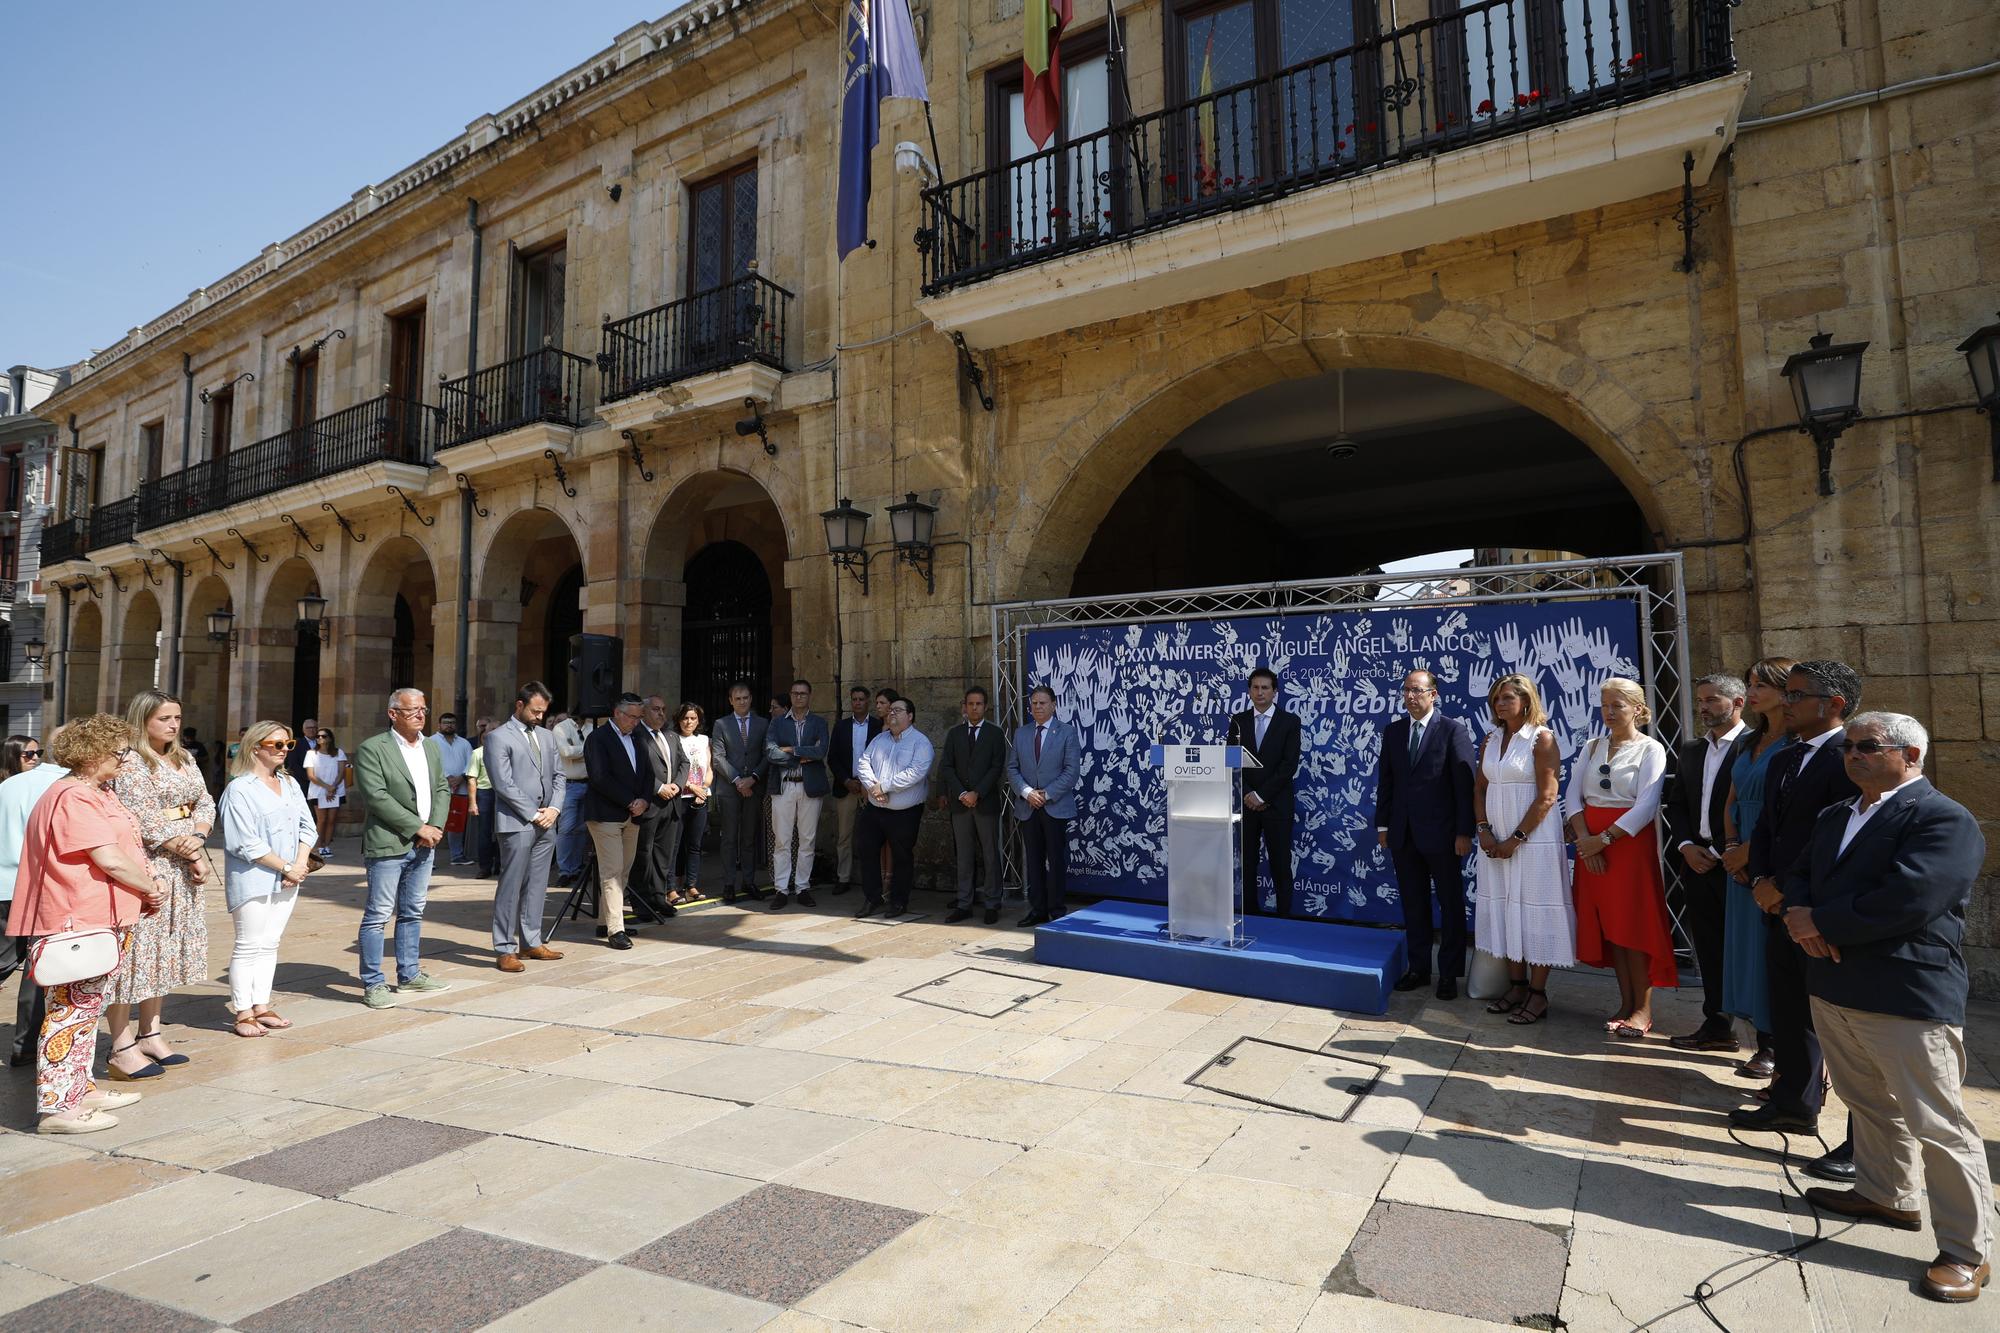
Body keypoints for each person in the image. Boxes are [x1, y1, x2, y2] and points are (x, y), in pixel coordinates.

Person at [1780, 712, 1992, 1303]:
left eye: (1867, 747)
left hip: (1904, 994)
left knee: (1938, 1123)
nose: (1852, 755)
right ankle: (1886, 1193)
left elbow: (1911, 897)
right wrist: (1802, 917)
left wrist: (1819, 922)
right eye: (1848, 747)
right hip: (1834, 985)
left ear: (1912, 755)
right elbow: (1799, 875)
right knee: (1866, 1100)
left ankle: (1967, 1252)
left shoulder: (1942, 818)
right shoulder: (1836, 815)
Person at [6, 713, 163, 1132]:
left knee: (85, 1007)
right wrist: (151, 887)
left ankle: (80, 1088)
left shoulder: (95, 791)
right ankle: (58, 1107)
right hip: (77, 916)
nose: (125, 758)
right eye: (118, 751)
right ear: (92, 756)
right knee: (70, 1010)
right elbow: (108, 857)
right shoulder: (74, 796)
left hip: (100, 914)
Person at [1733, 659, 1861, 1159]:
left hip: (1816, 908)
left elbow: (1832, 840)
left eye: (1797, 695)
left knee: (1833, 1021)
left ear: (1834, 705)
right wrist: (1762, 880)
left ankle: (1862, 1138)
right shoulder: (1786, 756)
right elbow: (1767, 826)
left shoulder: (1849, 757)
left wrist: (1788, 891)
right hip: (1776, 902)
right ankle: (1792, 1102)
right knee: (1787, 1009)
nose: (1786, 702)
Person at [105, 690, 215, 1079]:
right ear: (143, 720)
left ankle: (151, 1031)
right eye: (164, 718)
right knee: (136, 955)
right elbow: (143, 816)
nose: (173, 725)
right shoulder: (133, 761)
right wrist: (187, 849)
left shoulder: (184, 757)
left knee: (165, 951)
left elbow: (204, 801)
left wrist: (199, 838)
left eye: (177, 718)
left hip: (184, 863)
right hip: (151, 865)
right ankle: (120, 1041)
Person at [1565, 677, 1675, 1038]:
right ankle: (1625, 1003)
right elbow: (1572, 798)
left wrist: (1604, 840)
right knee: (1612, 929)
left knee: (1633, 926)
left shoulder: (1651, 750)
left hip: (1627, 846)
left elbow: (1646, 805)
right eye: (1605, 705)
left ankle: (1643, 1010)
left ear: (1638, 710)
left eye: (1618, 705)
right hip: (1591, 845)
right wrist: (1586, 842)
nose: (1609, 712)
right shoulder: (1592, 745)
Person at [1472, 673, 1571, 1025]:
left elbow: (1547, 796)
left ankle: (1537, 995)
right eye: (1497, 698)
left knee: (1534, 913)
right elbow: (1480, 788)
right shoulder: (1491, 738)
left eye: (1508, 698)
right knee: (1506, 909)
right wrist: (1483, 830)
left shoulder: (1541, 739)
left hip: (1533, 843)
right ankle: (1516, 986)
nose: (1500, 704)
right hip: (1495, 843)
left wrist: (1516, 839)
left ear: (1526, 701)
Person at [1717, 657, 1797, 1082]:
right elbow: (1730, 799)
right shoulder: (1748, 742)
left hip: (1769, 855)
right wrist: (1732, 847)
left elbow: (1786, 812)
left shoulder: (1798, 745)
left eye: (1760, 684)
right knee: (1747, 951)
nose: (1751, 691)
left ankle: (1776, 1046)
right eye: (1749, 683)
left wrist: (1749, 852)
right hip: (1740, 858)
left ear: (1787, 691)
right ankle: (1761, 1037)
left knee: (1772, 954)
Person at [1375, 669, 1477, 998]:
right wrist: (1384, 826)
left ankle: (1448, 974)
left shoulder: (1452, 731)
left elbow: (1464, 787)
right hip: (1404, 835)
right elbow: (1386, 782)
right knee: (1413, 904)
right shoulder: (1393, 732)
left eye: (1417, 691)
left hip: (1444, 835)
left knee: (1450, 904)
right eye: (1406, 690)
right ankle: (1418, 968)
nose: (1410, 696)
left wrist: (1465, 832)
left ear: (1434, 694)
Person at [1663, 673, 1748, 1052]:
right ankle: (1716, 1025)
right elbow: (1677, 802)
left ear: (1738, 703)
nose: (1703, 707)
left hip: (1738, 864)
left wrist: (1722, 851)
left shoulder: (1755, 747)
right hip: (1695, 862)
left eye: (1713, 700)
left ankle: (1767, 1042)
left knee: (1747, 951)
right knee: (1710, 950)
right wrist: (1684, 845)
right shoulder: (1693, 749)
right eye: (1700, 700)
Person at [353, 688, 454, 1008]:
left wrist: (435, 827)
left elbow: (441, 787)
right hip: (388, 843)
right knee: (378, 914)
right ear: (393, 713)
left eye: (424, 709)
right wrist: (417, 827)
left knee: (413, 911)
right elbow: (377, 797)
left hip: (426, 843)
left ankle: (409, 975)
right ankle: (373, 982)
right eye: (413, 710)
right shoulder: (373, 749)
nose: (421, 715)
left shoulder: (431, 747)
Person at [218, 722, 319, 1037]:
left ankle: (261, 1004)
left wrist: (299, 864)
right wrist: (285, 866)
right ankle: (243, 1011)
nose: (284, 749)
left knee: (270, 942)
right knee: (248, 944)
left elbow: (308, 826)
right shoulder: (239, 789)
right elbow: (243, 841)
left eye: (287, 743)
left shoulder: (289, 783)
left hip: (289, 876)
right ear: (254, 747)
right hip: (254, 877)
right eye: (276, 744)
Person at [487, 682, 567, 971]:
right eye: (535, 711)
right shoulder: (498, 738)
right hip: (517, 822)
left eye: (544, 712)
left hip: (547, 821)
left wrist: (555, 809)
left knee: (537, 884)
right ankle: (505, 948)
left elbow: (560, 775)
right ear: (519, 706)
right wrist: (535, 813)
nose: (540, 717)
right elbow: (503, 784)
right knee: (512, 886)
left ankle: (531, 941)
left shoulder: (546, 736)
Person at [1, 726, 66, 1068]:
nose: (34, 758)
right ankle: (25, 1045)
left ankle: (25, 1046)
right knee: (35, 968)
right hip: (35, 887)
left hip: (4, 886)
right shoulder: (60, 788)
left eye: (37, 753)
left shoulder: (8, 787)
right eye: (28, 754)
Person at [1227, 666, 1302, 919]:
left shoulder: (1290, 722)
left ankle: (1283, 919)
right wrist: (1249, 794)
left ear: (1275, 692)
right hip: (1246, 804)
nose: (1260, 692)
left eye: (1265, 688)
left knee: (1280, 864)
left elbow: (1288, 765)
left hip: (1277, 805)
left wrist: (1262, 795)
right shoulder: (1238, 721)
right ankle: (1250, 916)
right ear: (1249, 691)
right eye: (1255, 687)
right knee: (1247, 863)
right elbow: (1232, 761)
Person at [853, 697, 934, 919]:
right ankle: (873, 898)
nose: (892, 714)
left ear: (910, 716)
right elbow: (863, 763)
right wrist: (872, 788)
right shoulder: (879, 739)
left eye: (898, 710)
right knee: (866, 848)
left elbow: (916, 772)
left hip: (904, 812)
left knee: (902, 856)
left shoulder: (921, 743)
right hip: (875, 808)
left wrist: (885, 787)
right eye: (891, 711)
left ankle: (898, 901)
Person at [584, 693, 654, 948]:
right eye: (632, 717)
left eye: (639, 717)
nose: (636, 722)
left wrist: (644, 800)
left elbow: (648, 773)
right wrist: (630, 801)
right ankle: (616, 929)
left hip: (633, 815)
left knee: (622, 871)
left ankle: (606, 922)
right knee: (611, 872)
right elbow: (600, 778)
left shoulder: (639, 737)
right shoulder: (598, 739)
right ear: (617, 713)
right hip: (606, 815)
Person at [1007, 685, 1080, 928]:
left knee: (1056, 860)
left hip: (1054, 806)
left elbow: (1071, 772)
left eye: (1042, 703)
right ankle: (1037, 910)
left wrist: (1046, 794)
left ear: (1054, 705)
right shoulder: (1021, 733)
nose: (1037, 707)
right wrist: (1027, 792)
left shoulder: (1067, 733)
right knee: (1034, 861)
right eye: (1034, 703)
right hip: (1028, 807)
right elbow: (1012, 768)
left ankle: (1056, 910)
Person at [938, 686, 1006, 924]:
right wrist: (961, 793)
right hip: (961, 804)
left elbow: (997, 767)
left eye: (978, 704)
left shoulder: (995, 734)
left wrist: (977, 792)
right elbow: (946, 766)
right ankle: (964, 903)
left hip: (985, 803)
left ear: (985, 706)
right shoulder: (955, 733)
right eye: (970, 704)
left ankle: (992, 902)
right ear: (964, 707)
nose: (974, 708)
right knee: (964, 856)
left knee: (990, 854)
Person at [765, 679, 829, 910]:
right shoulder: (777, 722)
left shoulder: (819, 722)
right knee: (782, 840)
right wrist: (800, 755)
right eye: (794, 693)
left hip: (809, 786)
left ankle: (802, 887)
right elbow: (771, 753)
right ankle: (781, 889)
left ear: (809, 696)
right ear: (790, 696)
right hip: (783, 786)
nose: (798, 697)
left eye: (802, 693)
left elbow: (821, 751)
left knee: (807, 840)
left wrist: (791, 749)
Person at [710, 681, 769, 905]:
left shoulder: (763, 724)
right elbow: (718, 757)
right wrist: (737, 781)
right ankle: (728, 883)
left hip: (753, 787)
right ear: (730, 700)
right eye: (738, 698)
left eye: (745, 698)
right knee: (729, 838)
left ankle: (749, 881)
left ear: (751, 698)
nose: (742, 702)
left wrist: (751, 779)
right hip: (729, 788)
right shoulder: (721, 724)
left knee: (749, 837)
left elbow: (766, 755)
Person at [631, 694, 687, 917]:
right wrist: (658, 787)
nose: (661, 713)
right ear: (644, 712)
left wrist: (677, 785)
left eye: (663, 709)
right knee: (643, 853)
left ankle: (658, 896)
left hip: (671, 803)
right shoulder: (636, 735)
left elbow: (685, 762)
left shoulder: (671, 735)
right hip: (650, 803)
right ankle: (641, 900)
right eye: (656, 709)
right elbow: (635, 768)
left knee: (664, 854)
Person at [826, 685, 881, 896]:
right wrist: (846, 780)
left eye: (861, 699)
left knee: (873, 835)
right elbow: (833, 758)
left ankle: (874, 878)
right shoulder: (841, 726)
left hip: (870, 788)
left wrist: (868, 783)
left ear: (868, 701)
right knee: (844, 835)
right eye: (854, 699)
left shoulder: (877, 726)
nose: (857, 702)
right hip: (846, 786)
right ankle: (843, 877)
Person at [668, 702, 712, 903]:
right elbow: (674, 769)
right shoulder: (672, 738)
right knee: (674, 845)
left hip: (700, 797)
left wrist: (702, 789)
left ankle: (691, 886)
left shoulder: (703, 740)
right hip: (679, 797)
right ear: (679, 719)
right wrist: (691, 788)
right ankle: (670, 888)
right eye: (685, 717)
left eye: (693, 718)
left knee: (694, 845)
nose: (689, 722)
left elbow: (709, 767)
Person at [550, 710, 592, 884]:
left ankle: (576, 867)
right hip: (570, 784)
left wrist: (578, 752)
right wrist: (588, 750)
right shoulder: (561, 728)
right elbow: (566, 752)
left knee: (582, 829)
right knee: (566, 828)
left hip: (589, 783)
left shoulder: (592, 726)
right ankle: (565, 871)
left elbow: (598, 752)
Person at [433, 712, 474, 865]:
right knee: (435, 822)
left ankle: (457, 856)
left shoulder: (464, 743)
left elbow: (471, 763)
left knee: (456, 823)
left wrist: (461, 777)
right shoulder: (431, 742)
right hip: (439, 789)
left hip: (461, 789)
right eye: (445, 722)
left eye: (451, 722)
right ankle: (429, 860)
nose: (449, 725)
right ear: (439, 725)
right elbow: (432, 763)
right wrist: (448, 777)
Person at [307, 727, 351, 858]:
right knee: (321, 820)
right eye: (318, 736)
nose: (320, 738)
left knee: (331, 820)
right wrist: (327, 787)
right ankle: (319, 846)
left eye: (324, 736)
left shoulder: (339, 752)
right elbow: (311, 775)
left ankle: (326, 845)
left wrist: (333, 787)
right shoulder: (311, 754)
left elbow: (342, 771)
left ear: (330, 738)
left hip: (336, 790)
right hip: (318, 791)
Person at [463, 722, 499, 877]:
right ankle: (485, 867)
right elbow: (472, 778)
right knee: (484, 832)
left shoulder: (509, 751)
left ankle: (500, 865)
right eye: (491, 731)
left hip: (503, 794)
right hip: (485, 793)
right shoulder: (478, 753)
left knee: (502, 831)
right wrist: (472, 802)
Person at [283, 717, 318, 797]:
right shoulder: (297, 744)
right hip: (303, 782)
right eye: (309, 728)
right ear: (303, 730)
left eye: (314, 727)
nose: (312, 730)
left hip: (321, 783)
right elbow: (293, 764)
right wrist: (309, 777)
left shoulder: (322, 743)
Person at [178, 726, 211, 794]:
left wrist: (196, 759)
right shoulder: (178, 745)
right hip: (180, 772)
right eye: (187, 738)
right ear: (184, 736)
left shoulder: (198, 745)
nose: (189, 740)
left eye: (191, 738)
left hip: (194, 772)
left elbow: (206, 758)